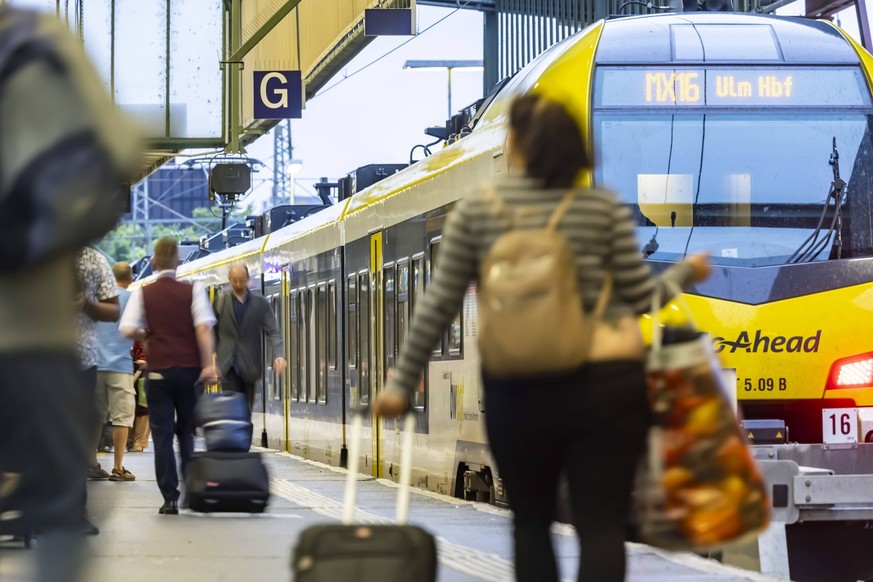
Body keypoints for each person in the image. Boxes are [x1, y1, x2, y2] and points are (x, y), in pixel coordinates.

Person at [373, 94, 711, 582]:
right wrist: (685, 273)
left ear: (519, 146)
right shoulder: (600, 210)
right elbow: (641, 298)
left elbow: (439, 303)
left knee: (531, 525)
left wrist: (401, 384)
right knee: (602, 527)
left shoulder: (482, 212)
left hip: (520, 388)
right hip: (606, 390)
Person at [120, 237, 217, 515]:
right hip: (189, 373)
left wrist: (148, 334)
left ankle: (169, 498)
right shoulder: (193, 290)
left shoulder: (143, 292)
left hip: (159, 372)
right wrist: (208, 365)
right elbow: (203, 328)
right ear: (178, 262)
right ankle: (191, 493)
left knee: (162, 437)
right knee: (186, 433)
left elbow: (127, 329)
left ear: (153, 262)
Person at [75, 246, 120, 534]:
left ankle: (74, 511)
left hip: (81, 361)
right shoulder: (30, 245)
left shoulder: (93, 258)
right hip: (33, 357)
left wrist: (85, 305)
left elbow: (113, 309)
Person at [214, 262, 286, 414]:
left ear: (248, 279)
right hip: (228, 366)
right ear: (229, 279)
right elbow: (211, 332)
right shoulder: (220, 302)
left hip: (250, 367)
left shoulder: (260, 304)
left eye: (241, 279)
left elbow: (273, 331)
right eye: (234, 280)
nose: (238, 283)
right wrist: (211, 361)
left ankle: (244, 435)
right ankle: (235, 435)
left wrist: (279, 355)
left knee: (246, 410)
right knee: (232, 409)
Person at [94, 262, 136, 481]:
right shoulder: (133, 300)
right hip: (121, 366)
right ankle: (118, 468)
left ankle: (91, 463)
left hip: (95, 365)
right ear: (131, 278)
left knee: (95, 416)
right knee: (122, 418)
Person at [128, 340, 150, 452]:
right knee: (130, 406)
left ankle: (139, 442)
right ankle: (130, 440)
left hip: (145, 369)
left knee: (143, 407)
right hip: (129, 367)